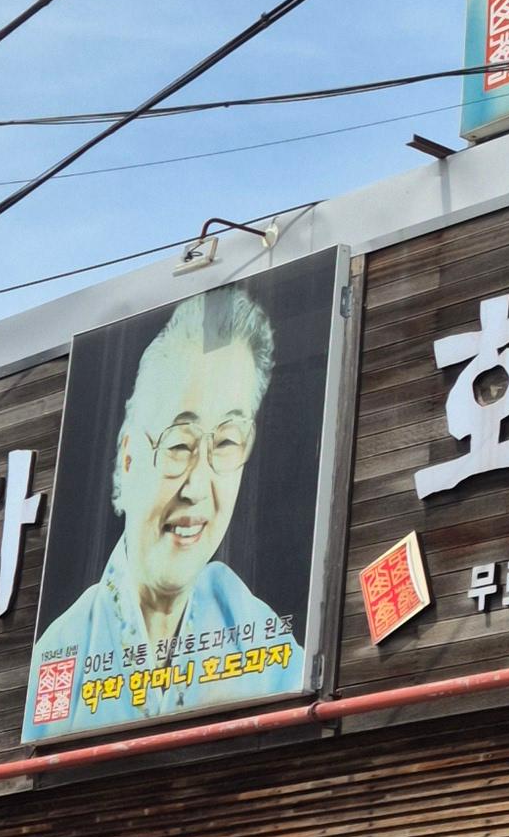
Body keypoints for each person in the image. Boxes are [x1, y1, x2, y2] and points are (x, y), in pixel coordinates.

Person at [24, 284, 304, 739]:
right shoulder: (63, 656)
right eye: (178, 445)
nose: (197, 488)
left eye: (227, 442)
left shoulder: (255, 632)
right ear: (129, 457)